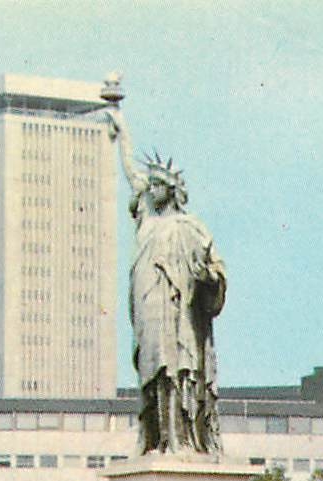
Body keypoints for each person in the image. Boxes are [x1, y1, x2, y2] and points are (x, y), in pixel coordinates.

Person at [104, 96, 228, 456]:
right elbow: (130, 174)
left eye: (156, 185)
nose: (149, 189)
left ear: (170, 190)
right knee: (154, 375)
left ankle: (181, 439)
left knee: (179, 374)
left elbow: (216, 271)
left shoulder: (190, 227)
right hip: (149, 313)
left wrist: (209, 278)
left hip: (180, 316)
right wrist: (122, 128)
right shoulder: (148, 223)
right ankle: (159, 438)